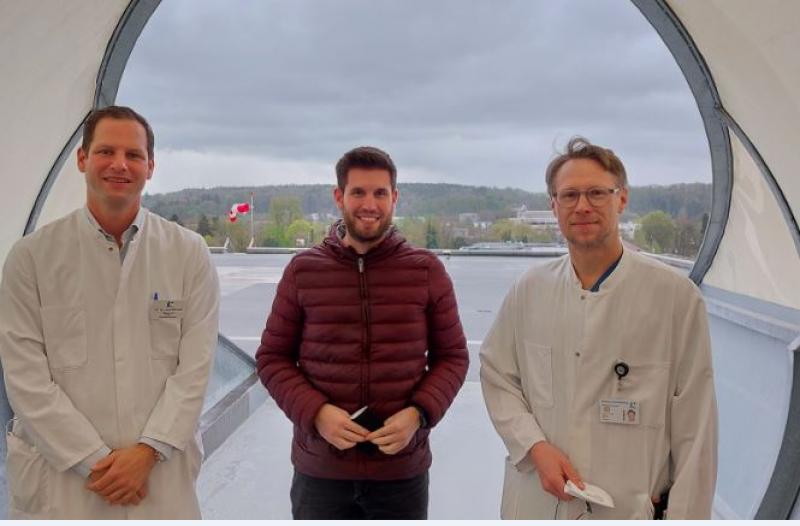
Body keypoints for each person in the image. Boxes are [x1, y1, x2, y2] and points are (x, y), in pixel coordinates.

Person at [480, 137, 717, 519]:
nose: (583, 206)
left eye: (596, 193)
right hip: (540, 503)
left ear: (621, 199)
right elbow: (497, 376)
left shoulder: (675, 298)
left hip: (627, 507)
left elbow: (696, 429)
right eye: (569, 195)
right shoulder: (530, 290)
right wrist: (535, 446)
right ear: (553, 205)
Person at [0, 106, 220, 519]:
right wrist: (95, 460)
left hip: (158, 473)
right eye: (105, 151)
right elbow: (25, 377)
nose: (120, 164)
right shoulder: (31, 257)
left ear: (150, 166)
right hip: (63, 476)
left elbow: (195, 369)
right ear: (83, 159)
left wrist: (148, 452)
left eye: (134, 155)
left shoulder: (188, 253)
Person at [256, 146, 469, 519]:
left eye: (379, 193)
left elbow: (452, 358)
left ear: (394, 198)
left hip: (400, 471)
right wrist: (317, 412)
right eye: (358, 192)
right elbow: (272, 359)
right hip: (321, 471)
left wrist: (418, 414)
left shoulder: (426, 270)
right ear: (339, 197)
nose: (369, 204)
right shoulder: (303, 271)